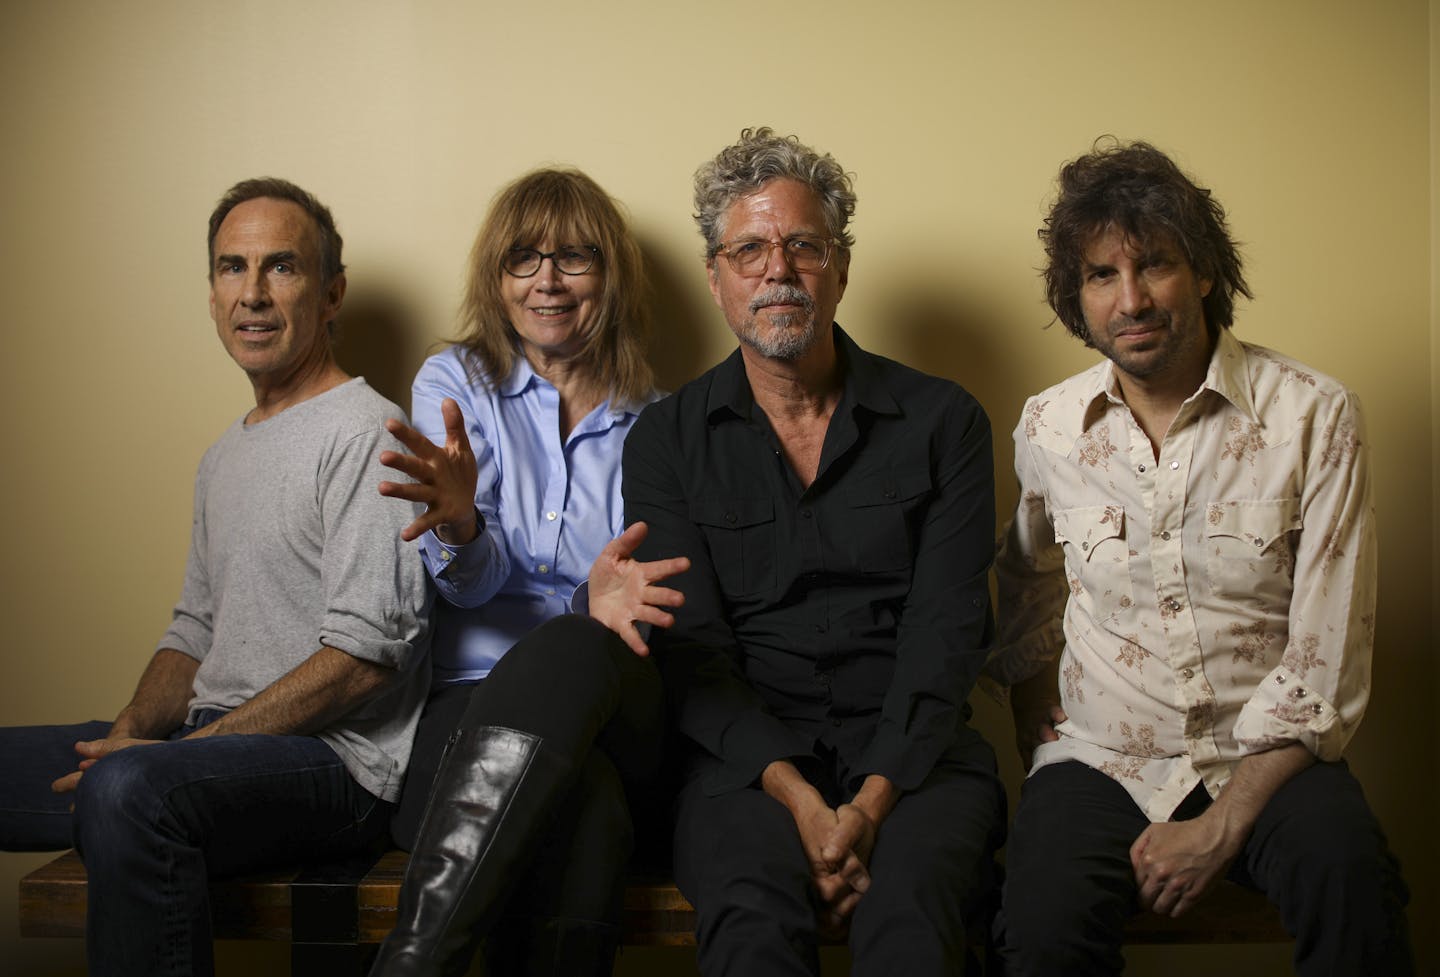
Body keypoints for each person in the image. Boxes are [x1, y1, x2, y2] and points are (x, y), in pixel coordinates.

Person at [988, 139, 1413, 975]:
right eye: (1101, 276)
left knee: (1356, 885)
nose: (1132, 299)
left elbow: (1328, 657)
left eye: (1155, 265)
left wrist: (1223, 825)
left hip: (1270, 752)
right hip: (1101, 754)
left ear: (1207, 271)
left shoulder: (1315, 418)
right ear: (1077, 299)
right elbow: (1027, 574)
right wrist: (1032, 682)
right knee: (1036, 928)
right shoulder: (1048, 427)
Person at [0, 178, 433, 977]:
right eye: (233, 268)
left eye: (282, 268)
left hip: (336, 767)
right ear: (211, 296)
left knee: (130, 790)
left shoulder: (372, 433)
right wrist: (135, 730)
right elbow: (195, 630)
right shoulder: (223, 456)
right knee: (89, 770)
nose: (254, 294)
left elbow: (364, 658)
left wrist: (177, 753)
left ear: (331, 292)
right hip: (219, 747)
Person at [622, 127, 1005, 976]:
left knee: (913, 922)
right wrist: (801, 799)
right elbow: (693, 655)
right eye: (750, 249)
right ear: (716, 278)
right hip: (741, 767)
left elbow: (946, 635)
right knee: (752, 926)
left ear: (840, 266)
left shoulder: (945, 422)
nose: (778, 270)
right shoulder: (665, 440)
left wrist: (866, 807)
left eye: (804, 245)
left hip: (917, 759)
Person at [368, 167, 688, 977]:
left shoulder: (660, 421)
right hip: (470, 705)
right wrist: (465, 523)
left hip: (617, 704)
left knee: (580, 644)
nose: (547, 278)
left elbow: (643, 600)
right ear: (496, 278)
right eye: (523, 258)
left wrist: (589, 601)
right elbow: (465, 585)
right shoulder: (455, 384)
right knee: (587, 807)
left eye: (574, 256)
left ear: (608, 276)